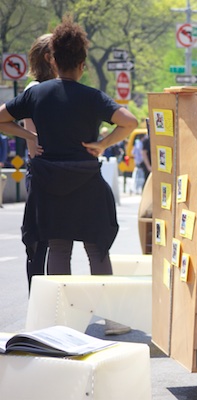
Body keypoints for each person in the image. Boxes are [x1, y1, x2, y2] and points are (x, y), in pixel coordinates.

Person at [0, 15, 138, 334]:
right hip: (86, 182)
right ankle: (112, 318)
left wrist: (30, 137)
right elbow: (128, 121)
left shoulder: (37, 95)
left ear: (54, 59)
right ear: (83, 63)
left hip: (49, 183)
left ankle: (61, 320)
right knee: (96, 248)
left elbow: (2, 119)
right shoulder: (91, 97)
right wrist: (102, 143)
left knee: (59, 248)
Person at [20, 33, 57, 291]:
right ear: (48, 57)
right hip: (41, 171)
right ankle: (37, 300)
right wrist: (32, 139)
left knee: (53, 241)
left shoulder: (56, 87)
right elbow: (28, 131)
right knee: (38, 242)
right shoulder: (34, 90)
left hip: (52, 170)